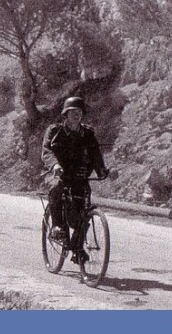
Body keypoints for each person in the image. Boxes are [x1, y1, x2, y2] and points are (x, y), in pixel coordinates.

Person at [41, 96, 109, 264]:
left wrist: (101, 169)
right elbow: (47, 151)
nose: (76, 115)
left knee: (83, 213)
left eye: (79, 112)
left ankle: (77, 249)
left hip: (79, 175)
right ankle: (57, 226)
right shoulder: (54, 131)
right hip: (58, 173)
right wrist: (55, 166)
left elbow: (95, 154)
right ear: (66, 114)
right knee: (56, 188)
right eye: (72, 112)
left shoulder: (87, 133)